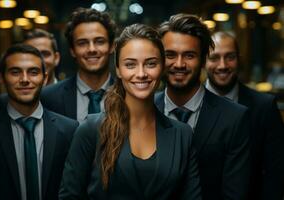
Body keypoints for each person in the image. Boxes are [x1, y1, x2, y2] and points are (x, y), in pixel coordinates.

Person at [59, 23, 202, 200]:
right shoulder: (91, 130)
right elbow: (69, 196)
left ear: (162, 66)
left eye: (150, 63)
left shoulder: (182, 134)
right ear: (118, 69)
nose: (141, 73)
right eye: (130, 64)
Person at [155, 14, 250, 200]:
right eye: (170, 55)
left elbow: (235, 194)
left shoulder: (235, 118)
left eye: (189, 55)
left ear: (204, 58)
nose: (179, 64)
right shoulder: (142, 110)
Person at [0, 44, 79, 200]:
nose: (25, 79)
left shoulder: (69, 130)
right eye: (15, 72)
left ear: (45, 78)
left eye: (33, 72)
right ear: (1, 77)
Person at [205, 31, 284, 200]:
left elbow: (275, 173)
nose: (222, 65)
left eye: (230, 57)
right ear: (204, 61)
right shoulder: (190, 104)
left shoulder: (265, 107)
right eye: (214, 58)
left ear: (239, 59)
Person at [40, 8, 116, 123]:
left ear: (112, 47)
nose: (91, 49)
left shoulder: (128, 95)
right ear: (72, 50)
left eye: (99, 41)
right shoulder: (48, 97)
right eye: (82, 43)